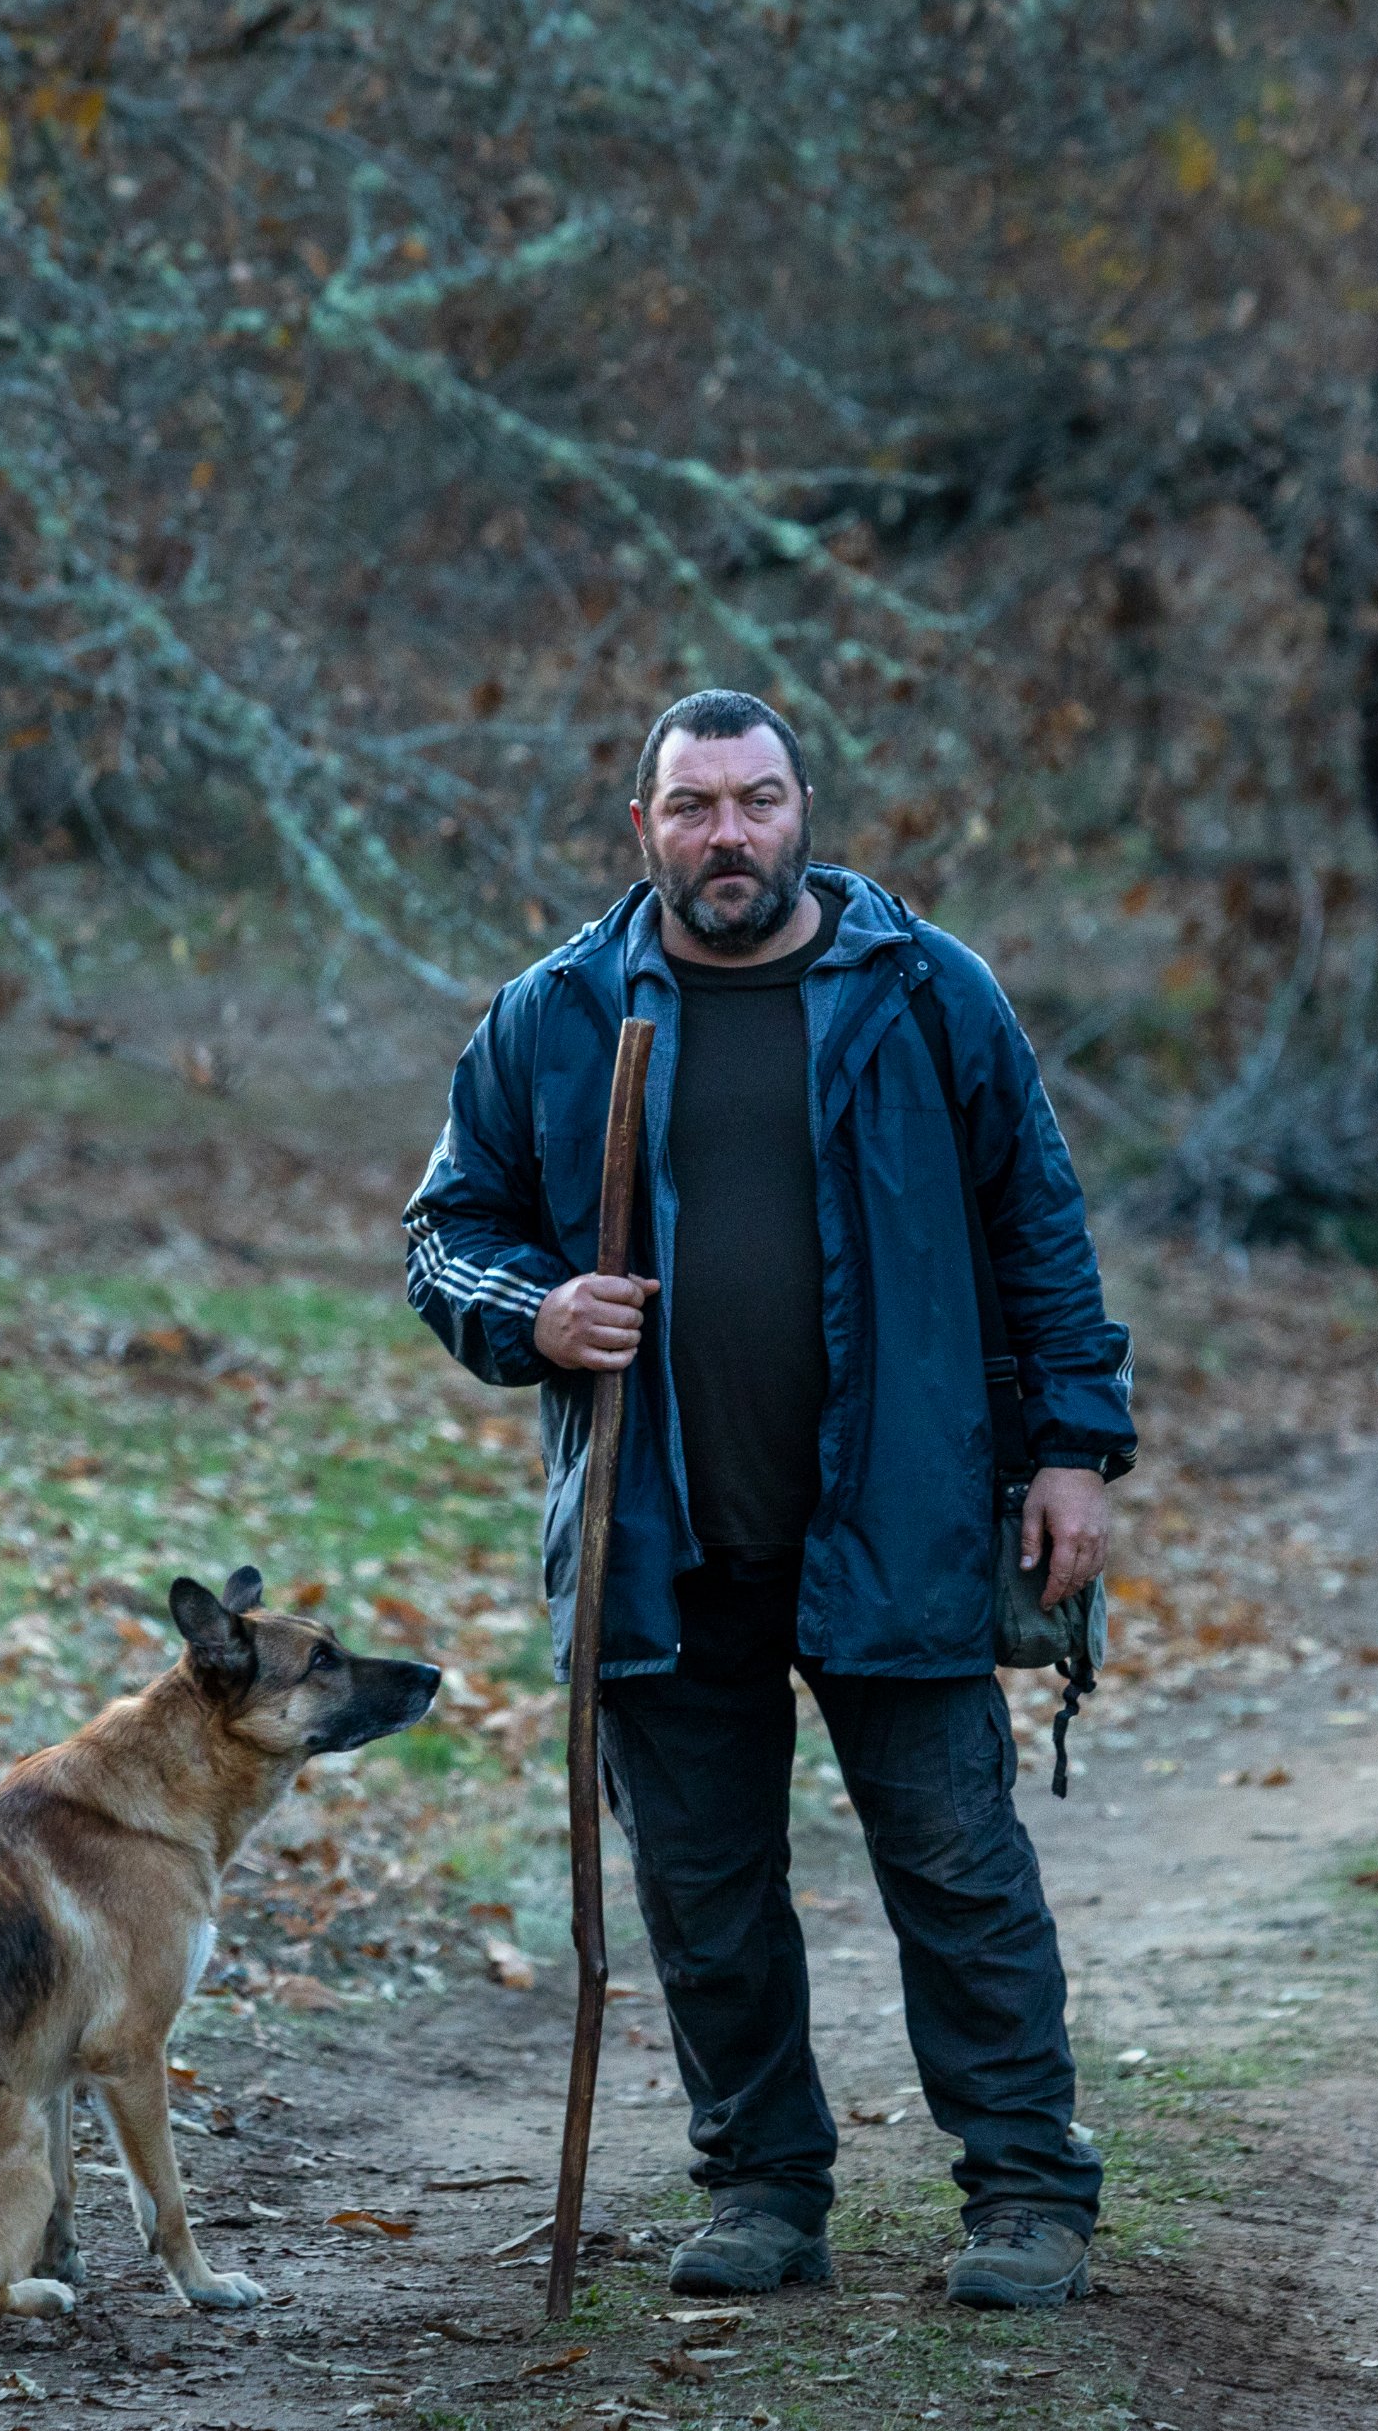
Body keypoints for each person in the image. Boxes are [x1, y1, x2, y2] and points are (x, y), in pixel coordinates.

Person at [402, 688, 1136, 2310]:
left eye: (755, 799)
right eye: (693, 806)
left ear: (805, 809)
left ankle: (1025, 2189)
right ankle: (763, 2188)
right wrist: (534, 1310)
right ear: (645, 827)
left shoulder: (926, 993)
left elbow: (1040, 1229)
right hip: (663, 1534)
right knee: (706, 1884)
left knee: (955, 1864)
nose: (726, 833)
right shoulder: (558, 1014)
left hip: (900, 1514)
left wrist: (1074, 1443)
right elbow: (442, 1229)